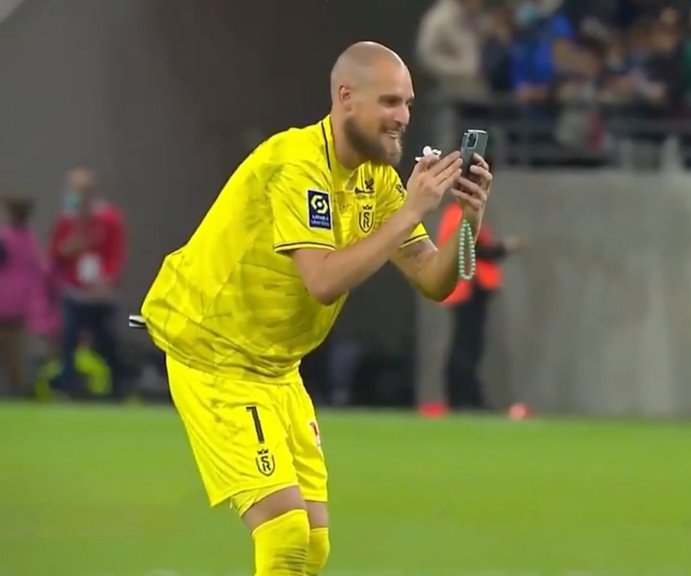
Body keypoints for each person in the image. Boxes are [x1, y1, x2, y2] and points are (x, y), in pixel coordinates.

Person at [136, 41, 493, 576]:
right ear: (346, 98)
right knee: (283, 536)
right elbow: (322, 281)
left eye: (409, 105)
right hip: (216, 358)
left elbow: (431, 279)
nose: (403, 119)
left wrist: (467, 219)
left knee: (313, 547)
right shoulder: (296, 164)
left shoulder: (375, 179)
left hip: (277, 368)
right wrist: (413, 209)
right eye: (390, 103)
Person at [437, 199, 523, 411]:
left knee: (467, 346)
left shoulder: (456, 214)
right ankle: (463, 399)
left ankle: (463, 398)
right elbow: (477, 249)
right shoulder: (460, 215)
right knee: (466, 347)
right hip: (467, 289)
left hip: (467, 289)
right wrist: (505, 247)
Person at [49, 168, 127, 399]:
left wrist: (108, 278)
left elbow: (116, 252)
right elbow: (56, 253)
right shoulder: (67, 219)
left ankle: (116, 389)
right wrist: (68, 248)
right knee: (69, 340)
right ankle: (67, 388)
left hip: (100, 293)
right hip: (74, 291)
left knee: (107, 341)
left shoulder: (109, 218)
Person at [0, 197, 46, 396]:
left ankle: (16, 389)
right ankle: (17, 388)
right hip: (19, 303)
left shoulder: (5, 238)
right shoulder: (29, 239)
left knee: (10, 349)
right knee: (15, 351)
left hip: (5, 301)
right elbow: (38, 268)